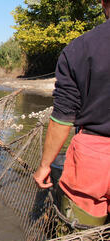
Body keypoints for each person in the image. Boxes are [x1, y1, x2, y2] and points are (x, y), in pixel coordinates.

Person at [33, 0, 110, 227]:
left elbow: (61, 118)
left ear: (103, 3)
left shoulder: (79, 49)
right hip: (93, 155)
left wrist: (45, 165)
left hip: (93, 158)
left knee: (83, 237)